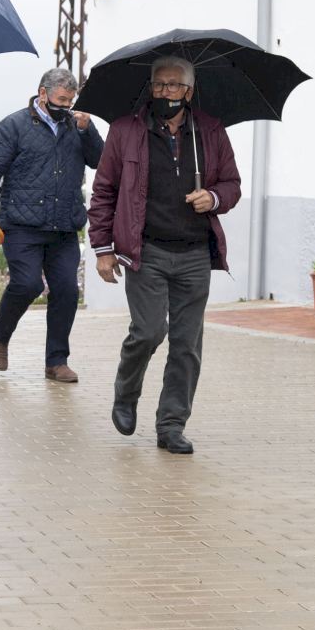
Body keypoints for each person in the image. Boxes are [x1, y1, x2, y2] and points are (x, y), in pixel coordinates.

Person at [87, 56, 242, 455]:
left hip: (194, 253)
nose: (165, 92)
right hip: (146, 252)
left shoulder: (210, 130)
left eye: (174, 85)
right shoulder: (125, 131)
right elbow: (103, 191)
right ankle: (126, 393)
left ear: (189, 91)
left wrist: (214, 198)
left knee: (187, 345)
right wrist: (103, 249)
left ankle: (171, 425)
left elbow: (232, 184)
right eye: (159, 84)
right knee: (149, 331)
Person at [0, 68, 103, 383]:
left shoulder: (78, 126)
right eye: (61, 100)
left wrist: (88, 131)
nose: (65, 106)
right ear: (42, 93)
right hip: (21, 225)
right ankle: (0, 332)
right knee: (28, 284)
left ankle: (57, 361)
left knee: (67, 290)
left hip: (64, 226)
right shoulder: (13, 125)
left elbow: (101, 161)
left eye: (70, 101)